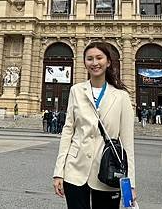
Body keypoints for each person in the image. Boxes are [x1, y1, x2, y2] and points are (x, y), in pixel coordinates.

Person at [53, 42, 136, 209]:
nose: (94, 63)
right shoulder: (76, 91)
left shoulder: (121, 97)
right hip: (75, 170)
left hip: (108, 170)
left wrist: (130, 184)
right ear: (84, 62)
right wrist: (58, 172)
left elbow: (127, 144)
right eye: (89, 59)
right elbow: (68, 131)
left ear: (108, 62)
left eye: (99, 58)